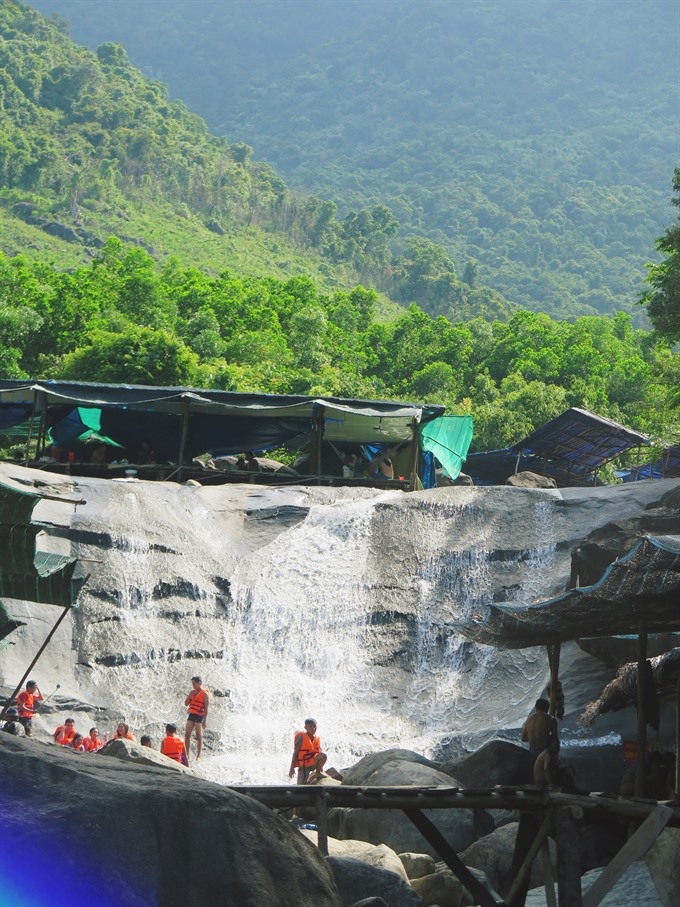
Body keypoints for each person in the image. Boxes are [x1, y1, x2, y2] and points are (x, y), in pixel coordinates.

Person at [289, 718, 326, 784]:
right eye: (310, 726)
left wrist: (321, 768)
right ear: (305, 727)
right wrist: (291, 768)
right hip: (304, 766)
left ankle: (317, 773)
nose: (313, 728)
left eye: (314, 726)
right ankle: (310, 778)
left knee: (323, 755)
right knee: (301, 786)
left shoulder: (316, 737)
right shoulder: (301, 736)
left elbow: (319, 751)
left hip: (313, 762)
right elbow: (295, 752)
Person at [184, 676, 209, 762]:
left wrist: (204, 721)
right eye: (192, 684)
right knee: (187, 735)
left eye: (194, 683)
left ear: (199, 683)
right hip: (192, 714)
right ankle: (187, 754)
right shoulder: (192, 692)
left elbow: (206, 708)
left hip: (199, 716)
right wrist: (190, 695)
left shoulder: (205, 694)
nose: (193, 685)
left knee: (198, 735)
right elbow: (186, 703)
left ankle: (198, 756)